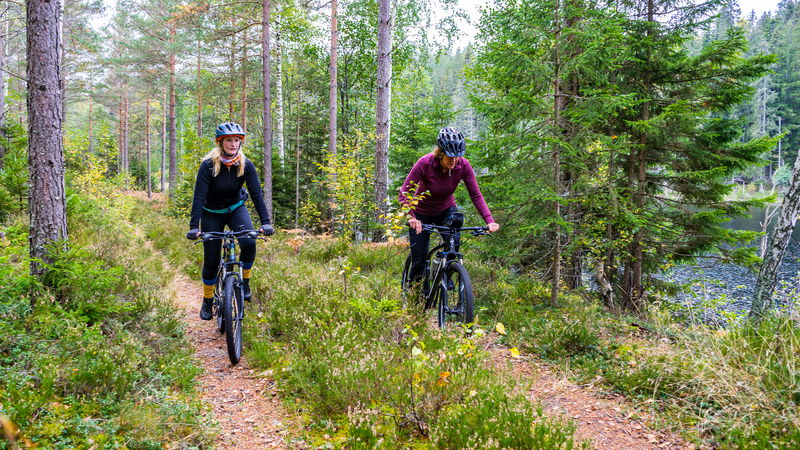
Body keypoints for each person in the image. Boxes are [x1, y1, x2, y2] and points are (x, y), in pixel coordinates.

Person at [186, 122, 274, 320]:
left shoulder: (245, 164)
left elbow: (257, 195)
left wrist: (266, 222)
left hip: (236, 209)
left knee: (249, 242)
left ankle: (245, 281)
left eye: (236, 140)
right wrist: (194, 226)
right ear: (221, 142)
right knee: (211, 259)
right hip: (211, 212)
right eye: (229, 140)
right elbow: (198, 197)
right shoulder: (208, 165)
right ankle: (208, 299)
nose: (233, 144)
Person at [398, 126, 499, 283]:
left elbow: (476, 195)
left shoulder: (463, 165)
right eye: (450, 156)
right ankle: (412, 297)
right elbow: (404, 192)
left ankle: (444, 274)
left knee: (454, 245)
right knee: (419, 258)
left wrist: (489, 220)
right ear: (440, 153)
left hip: (446, 209)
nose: (454, 160)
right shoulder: (425, 163)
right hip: (421, 213)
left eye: (457, 156)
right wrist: (411, 217)